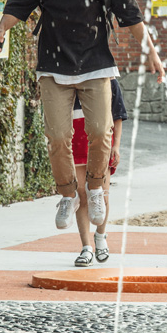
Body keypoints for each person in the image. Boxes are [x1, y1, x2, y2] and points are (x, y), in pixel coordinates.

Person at [0, 0, 164, 230]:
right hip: (54, 68)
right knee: (58, 136)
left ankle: (95, 188)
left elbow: (132, 16)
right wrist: (3, 27)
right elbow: (17, 6)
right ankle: (68, 194)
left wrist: (152, 52)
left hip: (96, 66)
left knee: (100, 130)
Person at [72, 78, 126, 267]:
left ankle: (100, 236)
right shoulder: (68, 80)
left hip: (102, 146)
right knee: (82, 196)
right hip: (76, 145)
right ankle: (86, 248)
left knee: (102, 196)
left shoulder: (109, 80)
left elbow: (118, 116)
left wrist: (116, 146)